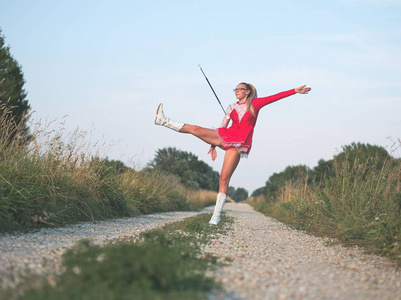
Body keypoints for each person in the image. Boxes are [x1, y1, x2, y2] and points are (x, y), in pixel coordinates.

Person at [155, 82, 311, 225]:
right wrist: (213, 144)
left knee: (224, 178)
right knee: (195, 129)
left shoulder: (255, 104)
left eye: (239, 89)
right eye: (235, 89)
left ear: (247, 92)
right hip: (225, 136)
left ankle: (215, 217)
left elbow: (275, 97)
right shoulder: (230, 107)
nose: (236, 91)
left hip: (238, 144)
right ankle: (163, 121)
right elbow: (222, 126)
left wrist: (295, 91)